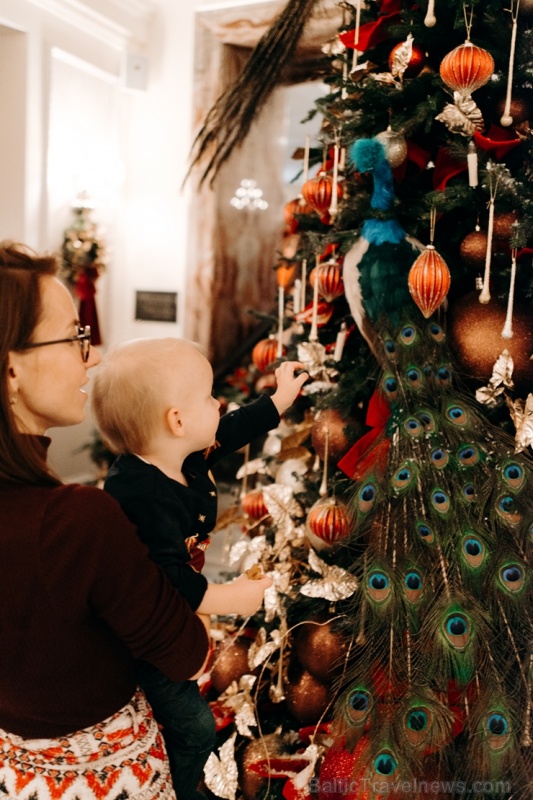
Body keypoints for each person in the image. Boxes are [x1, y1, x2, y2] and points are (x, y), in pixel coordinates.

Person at [0, 241, 214, 800]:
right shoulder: (76, 521)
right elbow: (186, 651)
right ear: (11, 369)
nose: (91, 358)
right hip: (102, 780)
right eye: (75, 336)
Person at [91, 337, 307, 800]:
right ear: (176, 421)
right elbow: (164, 580)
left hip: (171, 615)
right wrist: (228, 598)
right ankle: (169, 788)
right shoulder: (141, 493)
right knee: (193, 725)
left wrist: (278, 401)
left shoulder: (181, 455)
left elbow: (227, 430)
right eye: (210, 396)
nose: (219, 402)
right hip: (139, 631)